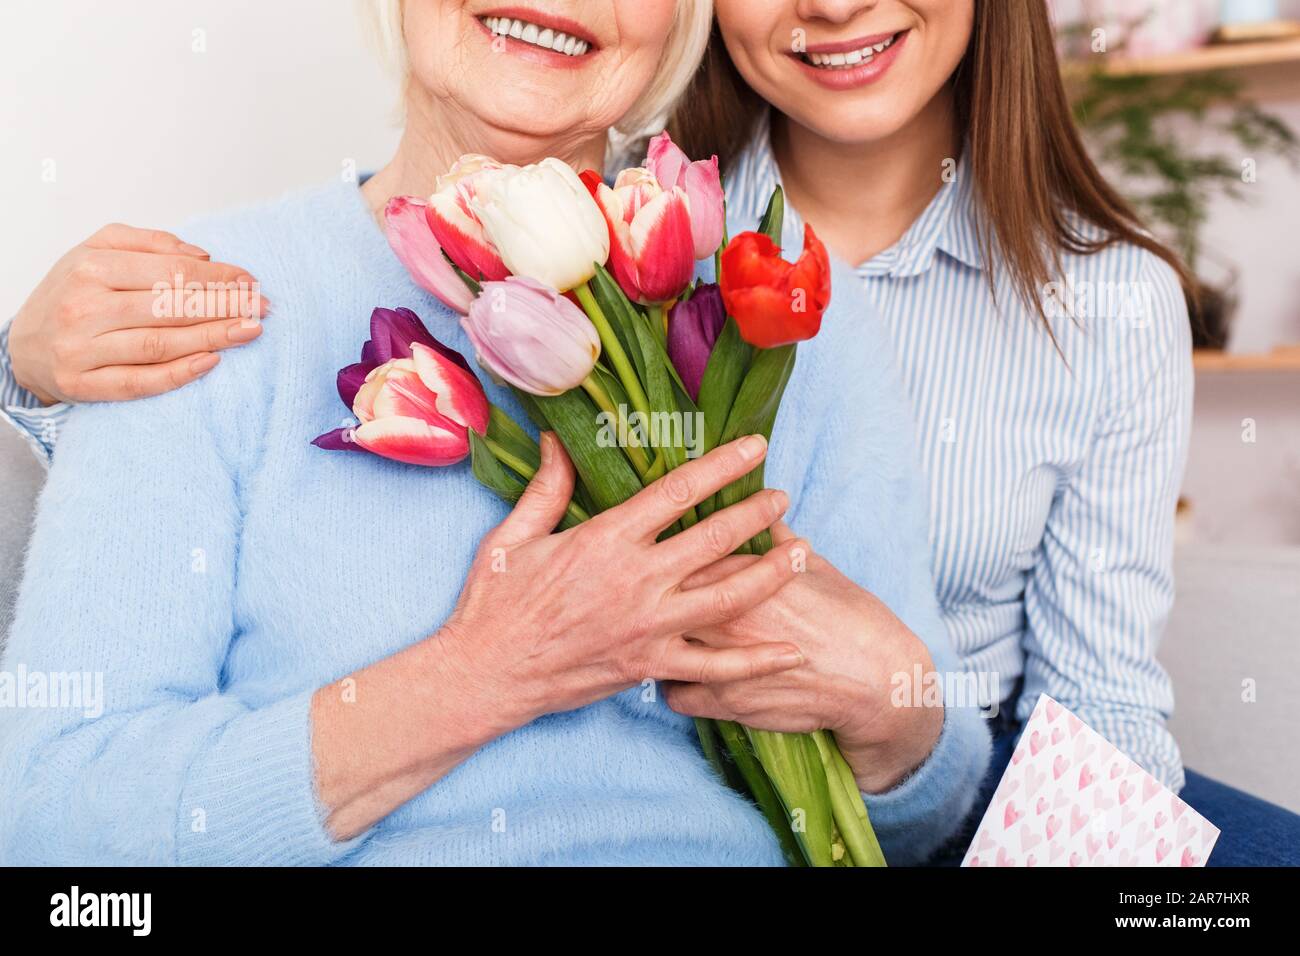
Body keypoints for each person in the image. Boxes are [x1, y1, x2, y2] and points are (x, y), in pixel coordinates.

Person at [0, 0, 988, 866]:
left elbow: (915, 817)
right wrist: (483, 674)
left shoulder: (777, 296)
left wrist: (894, 714)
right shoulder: (197, 301)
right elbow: (51, 815)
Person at [664, 0, 1300, 864]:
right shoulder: (625, 241)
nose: (835, 7)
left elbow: (1095, 702)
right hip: (686, 776)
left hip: (981, 773)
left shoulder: (1113, 302)